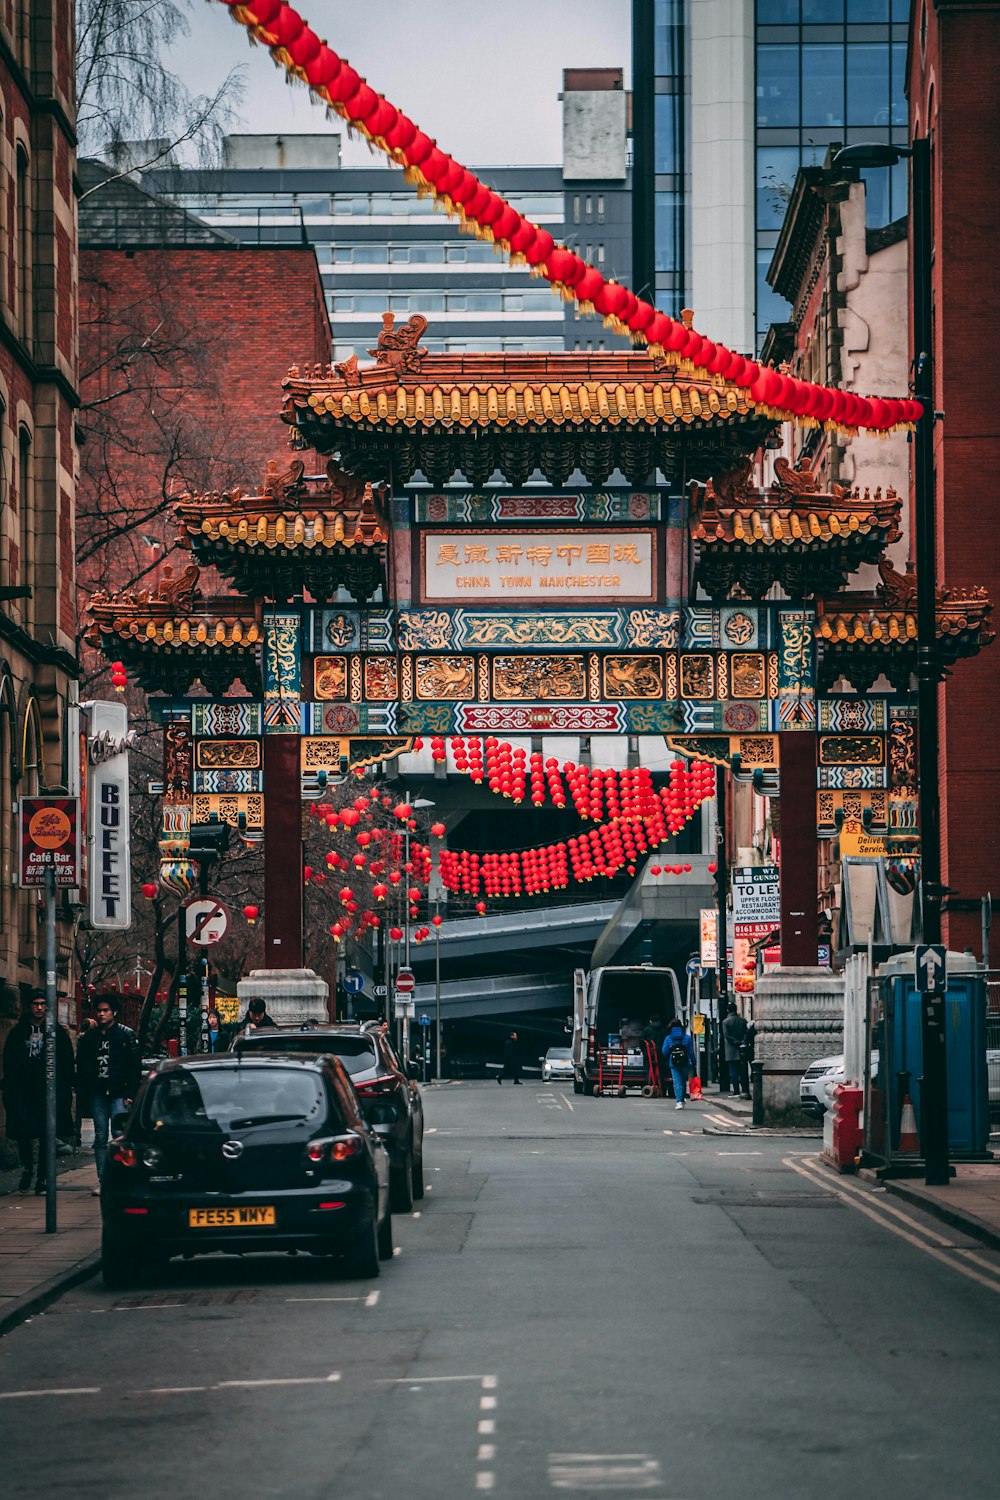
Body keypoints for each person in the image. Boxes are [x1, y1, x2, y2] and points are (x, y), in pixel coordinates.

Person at [1, 990, 75, 1193]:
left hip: (48, 1090)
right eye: (36, 1004)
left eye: (43, 1004)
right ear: (29, 1006)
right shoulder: (18, 1032)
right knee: (23, 1132)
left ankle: (42, 1176)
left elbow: (66, 1060)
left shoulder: (56, 1032)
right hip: (24, 1091)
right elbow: (10, 1061)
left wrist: (66, 1084)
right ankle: (27, 1167)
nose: (40, 1008)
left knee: (47, 1133)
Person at [76, 993, 142, 1188]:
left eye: (105, 1011)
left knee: (120, 1134)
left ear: (114, 1012)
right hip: (98, 1093)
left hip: (119, 1093)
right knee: (100, 1137)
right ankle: (104, 1180)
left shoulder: (125, 1034)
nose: (102, 1014)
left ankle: (121, 1177)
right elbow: (83, 1063)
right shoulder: (91, 1037)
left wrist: (130, 1093)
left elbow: (134, 1066)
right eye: (99, 1011)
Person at [661, 1016, 696, 1109]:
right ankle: (683, 1098)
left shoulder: (668, 1038)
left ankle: (679, 1101)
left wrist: (669, 1056)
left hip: (673, 1063)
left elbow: (664, 1051)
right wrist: (693, 1062)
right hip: (685, 1062)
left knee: (677, 1082)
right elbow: (691, 1052)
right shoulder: (687, 1038)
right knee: (683, 1081)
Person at [722, 1004, 750, 1097]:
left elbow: (726, 1035)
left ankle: (736, 1090)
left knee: (733, 1071)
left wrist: (736, 1042)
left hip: (731, 1050)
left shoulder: (725, 1022)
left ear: (727, 1010)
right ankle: (744, 1089)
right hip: (743, 1049)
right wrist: (742, 1041)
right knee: (743, 1071)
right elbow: (746, 1033)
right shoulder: (743, 1021)